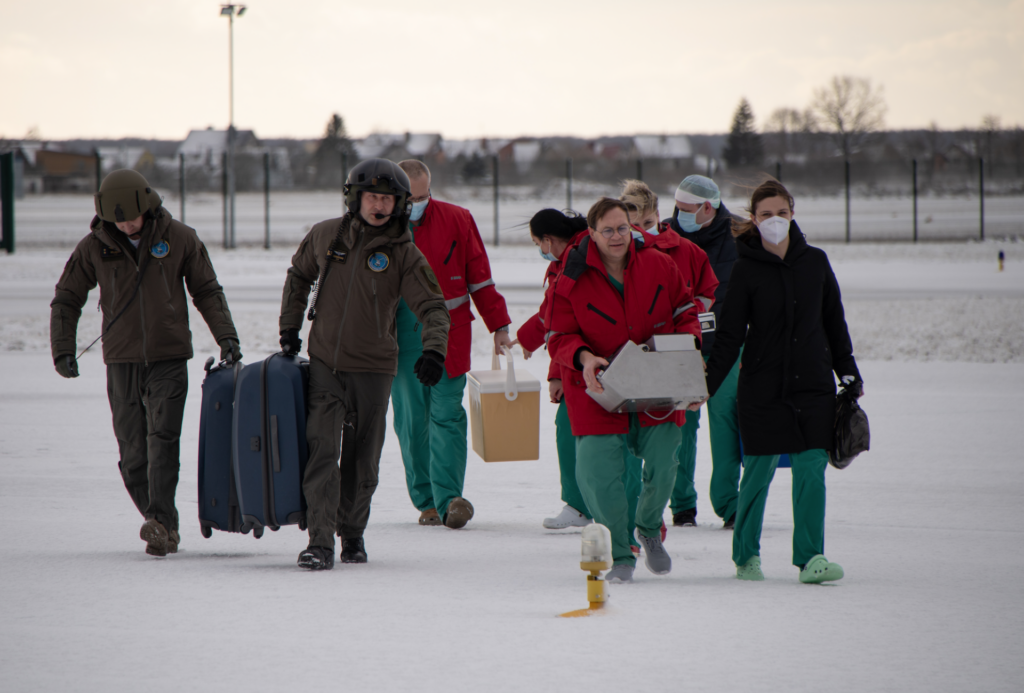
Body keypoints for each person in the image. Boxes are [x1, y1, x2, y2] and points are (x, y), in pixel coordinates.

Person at [50, 169, 241, 557]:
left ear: (147, 204)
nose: (125, 224)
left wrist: (227, 338)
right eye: (117, 219)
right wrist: (62, 349)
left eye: (132, 216)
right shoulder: (94, 247)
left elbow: (206, 290)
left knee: (162, 441)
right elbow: (67, 298)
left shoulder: (180, 238)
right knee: (134, 453)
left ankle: (159, 521)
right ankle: (163, 524)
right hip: (121, 361)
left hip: (169, 357)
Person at [278, 158, 450, 570]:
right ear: (354, 198)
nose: (379, 205)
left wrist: (434, 350)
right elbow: (297, 276)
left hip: (374, 370)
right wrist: (289, 326)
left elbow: (433, 307)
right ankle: (320, 542)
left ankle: (352, 533)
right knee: (321, 451)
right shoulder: (324, 236)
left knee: (362, 460)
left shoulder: (404, 253)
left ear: (400, 205)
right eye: (372, 197)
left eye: (388, 199)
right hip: (326, 367)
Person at [703, 179, 862, 583]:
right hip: (761, 386)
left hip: (813, 384)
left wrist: (848, 371)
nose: (775, 221)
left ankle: (811, 558)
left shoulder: (816, 262)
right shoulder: (745, 268)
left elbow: (834, 322)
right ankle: (746, 557)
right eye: (766, 215)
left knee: (811, 468)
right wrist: (706, 386)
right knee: (758, 471)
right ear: (753, 220)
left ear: (793, 214)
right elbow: (730, 336)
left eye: (782, 213)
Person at [548, 198, 702, 583]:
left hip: (655, 382)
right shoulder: (571, 274)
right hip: (598, 386)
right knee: (598, 473)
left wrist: (688, 352)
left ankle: (648, 528)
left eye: (623, 228)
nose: (617, 237)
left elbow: (686, 310)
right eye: (608, 230)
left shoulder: (659, 264)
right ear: (592, 233)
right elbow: (557, 335)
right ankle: (620, 553)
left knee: (666, 462)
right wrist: (583, 358)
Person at [390, 159, 512, 530]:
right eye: (409, 199)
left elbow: (480, 278)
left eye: (423, 197)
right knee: (412, 421)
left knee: (447, 415)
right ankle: (425, 501)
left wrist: (499, 324)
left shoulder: (458, 219)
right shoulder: (377, 224)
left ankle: (449, 501)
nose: (417, 204)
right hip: (399, 338)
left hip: (450, 336)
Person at [518, 210, 644, 549]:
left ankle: (630, 520)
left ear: (547, 240)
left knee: (621, 446)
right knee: (568, 433)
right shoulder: (567, 259)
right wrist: (554, 373)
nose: (540, 250)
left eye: (537, 243)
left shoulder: (579, 259)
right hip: (578, 367)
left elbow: (553, 317)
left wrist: (527, 339)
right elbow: (558, 322)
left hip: (609, 365)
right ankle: (580, 506)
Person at [620, 180, 719, 528]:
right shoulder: (616, 253)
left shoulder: (687, 251)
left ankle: (684, 506)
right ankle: (637, 510)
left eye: (647, 223)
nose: (641, 232)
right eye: (633, 226)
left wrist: (683, 320)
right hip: (632, 357)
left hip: (675, 355)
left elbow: (708, 294)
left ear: (659, 217)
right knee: (630, 436)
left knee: (682, 433)